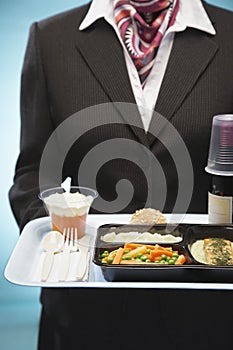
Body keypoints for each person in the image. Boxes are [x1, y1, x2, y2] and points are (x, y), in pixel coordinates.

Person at [9, 0, 233, 349]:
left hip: (204, 311)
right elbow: (32, 172)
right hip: (84, 312)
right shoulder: (50, 39)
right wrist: (60, 241)